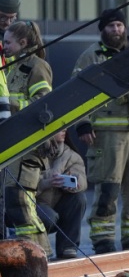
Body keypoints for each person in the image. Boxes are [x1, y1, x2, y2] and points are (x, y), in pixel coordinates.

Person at [72, 9, 129, 253]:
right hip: (106, 136)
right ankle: (103, 239)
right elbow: (76, 94)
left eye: (120, 25)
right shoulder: (91, 57)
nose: (117, 30)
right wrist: (82, 124)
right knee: (108, 189)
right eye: (111, 26)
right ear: (102, 29)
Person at [2, 20, 53, 251]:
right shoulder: (11, 67)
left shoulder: (37, 66)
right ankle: (31, 256)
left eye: (7, 42)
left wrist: (8, 104)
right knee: (14, 204)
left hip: (29, 146)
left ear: (23, 43)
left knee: (22, 203)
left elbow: (43, 105)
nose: (4, 46)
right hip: (14, 146)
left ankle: (41, 255)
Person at [35, 129, 87, 260]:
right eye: (58, 128)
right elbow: (22, 182)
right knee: (49, 217)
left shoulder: (71, 155)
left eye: (65, 128)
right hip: (36, 204)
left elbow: (82, 181)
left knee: (79, 198)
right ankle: (37, 250)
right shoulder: (32, 154)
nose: (64, 131)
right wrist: (47, 183)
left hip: (57, 205)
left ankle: (68, 247)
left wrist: (72, 183)